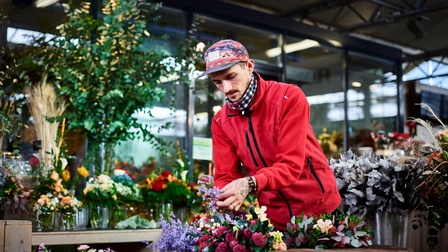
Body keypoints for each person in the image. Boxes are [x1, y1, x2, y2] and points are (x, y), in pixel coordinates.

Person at [199, 39, 342, 230]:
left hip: (320, 209)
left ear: (249, 66)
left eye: (231, 76)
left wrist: (250, 183)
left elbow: (290, 165)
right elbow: (226, 174)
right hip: (275, 218)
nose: (227, 89)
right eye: (218, 82)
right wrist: (224, 198)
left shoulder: (289, 97)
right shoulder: (221, 122)